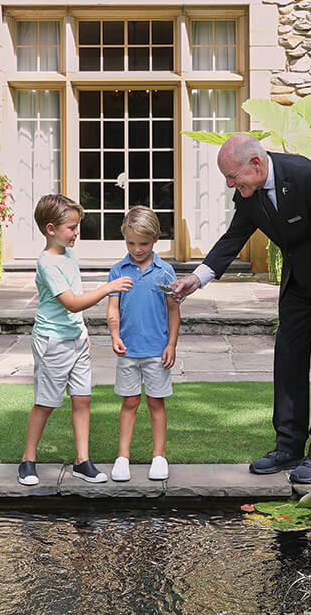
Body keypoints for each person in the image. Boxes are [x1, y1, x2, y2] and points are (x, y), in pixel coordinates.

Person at [171, 134, 311, 484]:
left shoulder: (307, 176)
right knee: (288, 358)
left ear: (255, 163)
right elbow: (235, 235)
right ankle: (288, 447)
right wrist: (198, 277)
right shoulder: (249, 190)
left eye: (232, 176)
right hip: (299, 279)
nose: (229, 184)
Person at [17, 193, 133, 487]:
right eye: (71, 227)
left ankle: (82, 462)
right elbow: (71, 303)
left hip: (75, 339)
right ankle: (27, 461)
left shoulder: (67, 255)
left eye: (77, 226)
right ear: (51, 229)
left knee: (83, 399)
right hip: (52, 342)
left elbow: (75, 301)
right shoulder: (48, 263)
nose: (77, 232)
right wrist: (108, 288)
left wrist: (82, 331)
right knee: (46, 403)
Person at [107, 206, 180, 482]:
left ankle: (159, 456)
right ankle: (122, 457)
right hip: (128, 351)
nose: (137, 250)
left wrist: (171, 344)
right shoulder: (118, 271)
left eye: (144, 244)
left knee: (155, 403)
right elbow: (113, 308)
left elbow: (173, 310)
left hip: (156, 352)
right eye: (131, 243)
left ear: (156, 238)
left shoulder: (165, 272)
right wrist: (115, 335)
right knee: (129, 402)